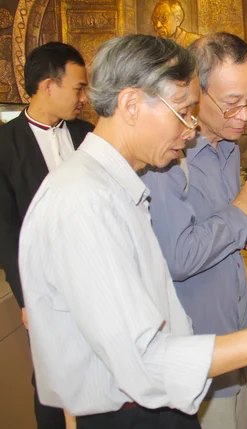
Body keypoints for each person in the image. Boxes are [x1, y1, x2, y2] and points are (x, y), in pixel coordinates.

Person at [19, 34, 247, 429]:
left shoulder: (114, 186)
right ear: (130, 104)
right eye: (182, 112)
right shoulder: (83, 202)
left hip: (160, 403)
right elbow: (146, 361)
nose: (190, 131)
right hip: (132, 413)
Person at [141, 32, 247, 429]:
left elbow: (216, 224)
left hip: (234, 324)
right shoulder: (167, 157)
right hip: (195, 344)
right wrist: (238, 211)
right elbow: (177, 257)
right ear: (196, 91)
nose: (245, 115)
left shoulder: (228, 147)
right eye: (233, 103)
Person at [0, 42, 93, 429]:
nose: (83, 98)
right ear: (47, 85)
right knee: (52, 383)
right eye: (77, 88)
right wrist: (26, 298)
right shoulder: (5, 145)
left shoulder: (88, 134)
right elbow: (6, 229)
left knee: (100, 374)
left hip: (94, 278)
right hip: (47, 288)